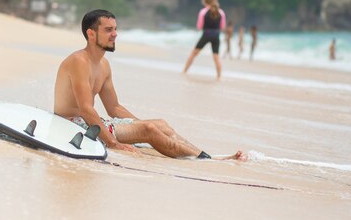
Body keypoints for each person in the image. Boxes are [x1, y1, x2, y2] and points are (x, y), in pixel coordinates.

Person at [54, 9, 247, 161]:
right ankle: (209, 161)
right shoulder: (79, 61)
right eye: (108, 30)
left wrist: (140, 125)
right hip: (71, 123)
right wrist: (114, 143)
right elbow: (86, 110)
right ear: (91, 34)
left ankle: (203, 155)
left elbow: (114, 107)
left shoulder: (103, 64)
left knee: (159, 124)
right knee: (149, 130)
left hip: (92, 122)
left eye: (115, 29)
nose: (115, 34)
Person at [183, 0, 226, 79]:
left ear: (205, 2)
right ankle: (219, 76)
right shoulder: (221, 12)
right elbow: (222, 26)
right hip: (216, 36)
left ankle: (184, 71)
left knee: (194, 53)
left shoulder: (203, 12)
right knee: (216, 56)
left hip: (206, 35)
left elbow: (199, 26)